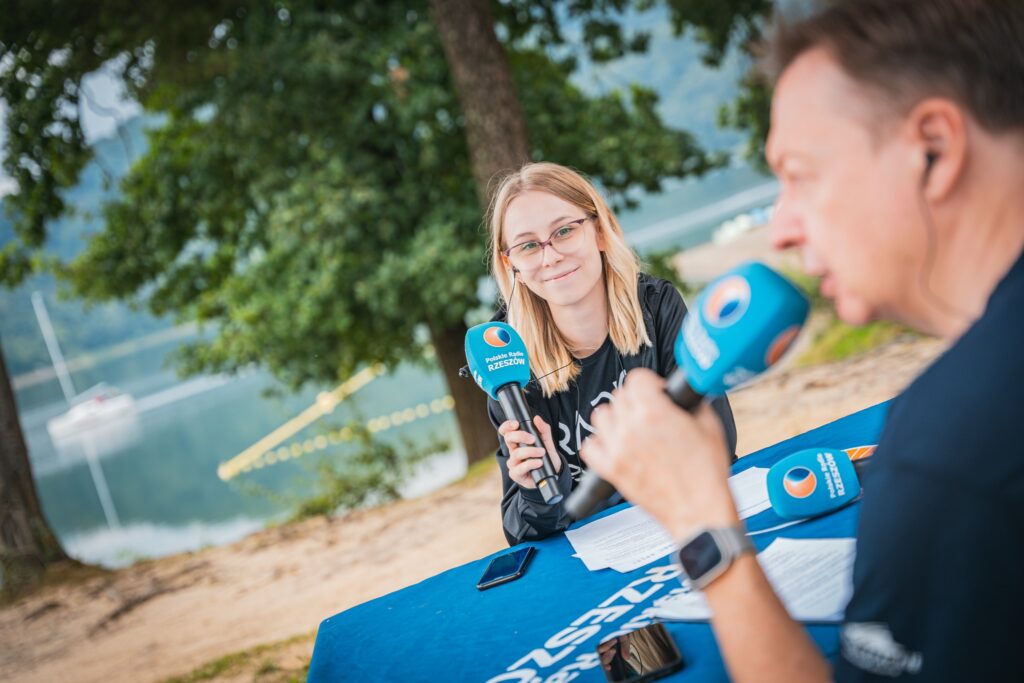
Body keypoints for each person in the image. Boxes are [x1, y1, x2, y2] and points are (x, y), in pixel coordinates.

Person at [581, 1, 1024, 681]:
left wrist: (703, 525)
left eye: (799, 174)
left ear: (933, 149)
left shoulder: (951, 440)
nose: (783, 228)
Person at [484, 162, 738, 545]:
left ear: (600, 231)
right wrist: (541, 488)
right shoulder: (506, 359)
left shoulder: (657, 308)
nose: (550, 257)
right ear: (511, 264)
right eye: (528, 245)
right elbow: (521, 529)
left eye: (564, 231)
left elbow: (717, 444)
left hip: (690, 526)